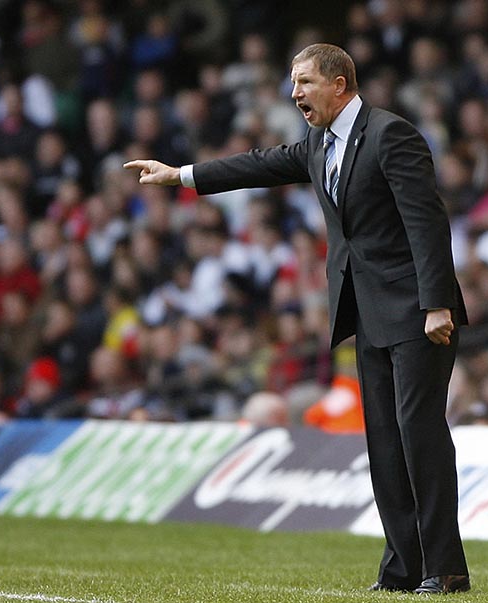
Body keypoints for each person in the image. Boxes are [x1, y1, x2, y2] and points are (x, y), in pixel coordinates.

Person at [125, 43, 470, 595]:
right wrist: (181, 176)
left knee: (417, 433)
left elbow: (427, 223)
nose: (295, 93)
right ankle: (403, 569)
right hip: (368, 313)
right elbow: (259, 164)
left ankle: (444, 568)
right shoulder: (318, 144)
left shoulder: (390, 134)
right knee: (383, 441)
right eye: (293, 82)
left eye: (305, 82)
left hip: (417, 312)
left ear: (340, 83)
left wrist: (437, 304)